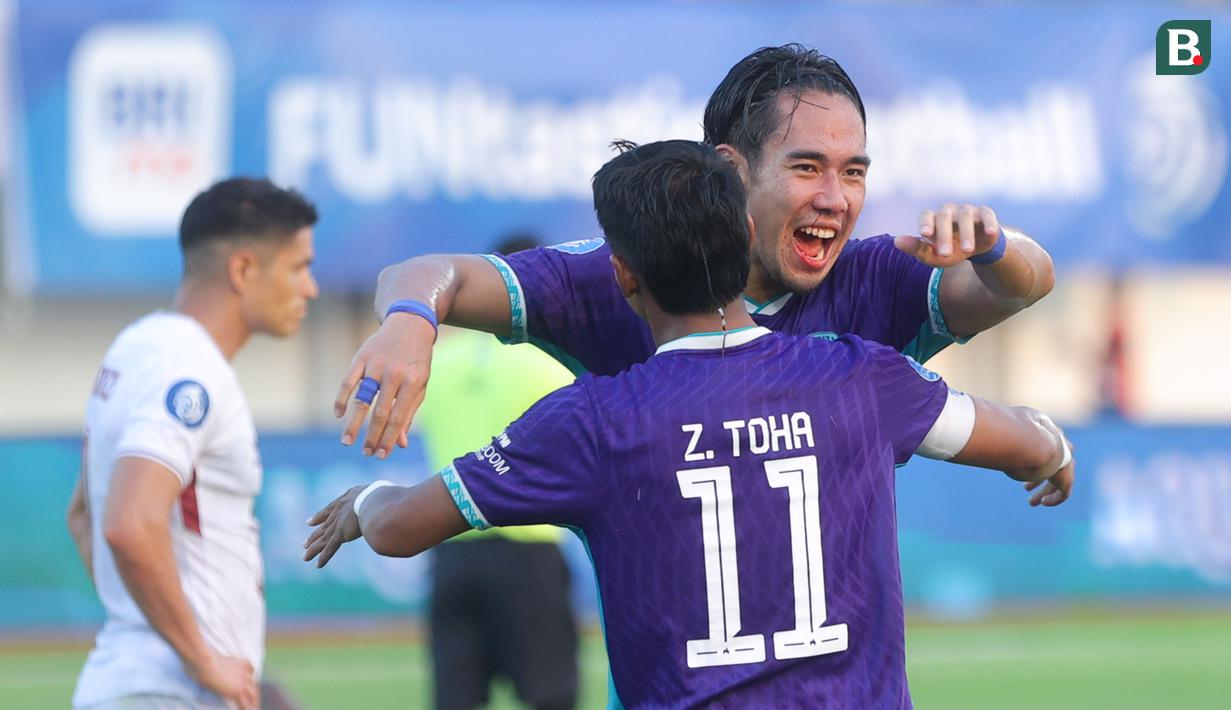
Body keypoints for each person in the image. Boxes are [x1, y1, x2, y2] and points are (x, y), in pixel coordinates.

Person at [304, 140, 1073, 708]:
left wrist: (365, 502)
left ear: (622, 273)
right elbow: (1028, 443)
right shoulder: (861, 374)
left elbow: (402, 525)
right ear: (742, 244)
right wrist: (1052, 449)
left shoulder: (592, 421)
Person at [331, 44, 1057, 460]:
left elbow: (1023, 283)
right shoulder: (617, 278)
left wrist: (993, 244)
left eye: (854, 171)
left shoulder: (878, 280)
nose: (836, 197)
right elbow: (432, 274)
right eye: (807, 168)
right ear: (732, 169)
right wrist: (409, 321)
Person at [66, 177, 319, 710]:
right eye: (299, 267)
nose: (310, 288)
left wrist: (147, 624)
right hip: (169, 692)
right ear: (244, 269)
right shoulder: (190, 371)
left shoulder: (136, 346)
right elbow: (127, 525)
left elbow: (84, 515)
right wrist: (199, 656)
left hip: (144, 682)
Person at [417, 233, 579, 710]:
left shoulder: (438, 362)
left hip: (450, 548)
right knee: (551, 696)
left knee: (456, 700)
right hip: (527, 553)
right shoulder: (549, 364)